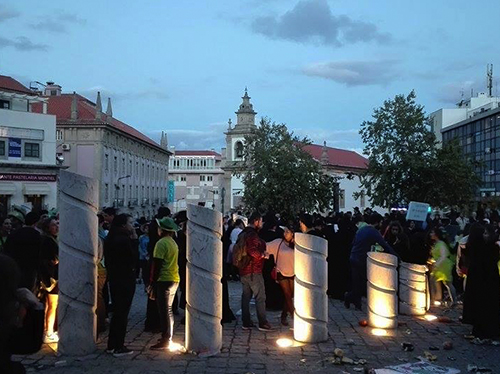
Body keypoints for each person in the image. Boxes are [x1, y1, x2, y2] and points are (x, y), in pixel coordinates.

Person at [345, 213, 398, 310]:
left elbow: (353, 242)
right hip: (361, 259)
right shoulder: (373, 232)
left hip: (353, 256)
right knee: (362, 281)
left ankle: (355, 300)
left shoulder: (362, 229)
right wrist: (396, 256)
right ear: (377, 222)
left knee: (357, 281)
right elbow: (384, 245)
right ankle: (350, 298)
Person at [104, 214, 137, 357]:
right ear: (123, 225)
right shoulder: (123, 240)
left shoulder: (111, 237)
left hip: (115, 279)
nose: (132, 225)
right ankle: (119, 346)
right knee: (122, 313)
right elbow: (133, 258)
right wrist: (134, 240)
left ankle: (112, 344)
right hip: (124, 279)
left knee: (117, 313)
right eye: (130, 222)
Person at [462, 224, 500, 340]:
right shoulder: (486, 249)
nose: (485, 236)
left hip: (483, 283)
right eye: (484, 234)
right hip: (486, 284)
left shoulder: (477, 249)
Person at [149, 217, 180, 350]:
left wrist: (152, 283)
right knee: (168, 311)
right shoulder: (172, 242)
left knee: (164, 311)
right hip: (174, 278)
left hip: (164, 280)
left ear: (162, 230)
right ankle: (168, 336)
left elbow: (157, 265)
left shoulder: (161, 243)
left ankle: (165, 338)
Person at [239, 212, 272, 331]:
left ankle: (246, 322)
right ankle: (263, 322)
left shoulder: (243, 233)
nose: (262, 224)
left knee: (246, 297)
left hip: (243, 270)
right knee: (260, 297)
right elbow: (252, 251)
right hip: (254, 270)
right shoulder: (252, 235)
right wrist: (263, 255)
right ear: (256, 221)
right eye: (261, 221)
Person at [145, 207, 171, 332]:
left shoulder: (153, 226)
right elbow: (158, 262)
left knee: (154, 298)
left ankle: (152, 322)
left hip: (158, 268)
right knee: (158, 299)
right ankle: (155, 323)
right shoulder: (162, 243)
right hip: (161, 272)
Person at [3, 212, 42, 293]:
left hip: (14, 268)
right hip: (30, 270)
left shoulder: (14, 234)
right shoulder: (37, 236)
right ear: (36, 223)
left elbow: (6, 251)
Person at [266, 227, 295, 326]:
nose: (285, 234)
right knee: (287, 294)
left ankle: (284, 314)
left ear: (293, 233)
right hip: (281, 272)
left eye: (288, 232)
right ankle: (294, 316)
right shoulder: (278, 242)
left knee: (291, 295)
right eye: (285, 231)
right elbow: (266, 247)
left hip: (293, 272)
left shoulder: (297, 244)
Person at [39, 217, 60, 344]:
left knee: (49, 304)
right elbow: (52, 259)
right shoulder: (48, 240)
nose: (57, 227)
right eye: (54, 225)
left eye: (57, 224)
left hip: (48, 276)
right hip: (51, 278)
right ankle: (49, 332)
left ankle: (47, 329)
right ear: (47, 227)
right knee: (52, 304)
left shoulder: (49, 239)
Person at [428, 228, 457, 306]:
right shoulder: (438, 243)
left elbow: (443, 256)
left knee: (435, 280)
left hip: (442, 265)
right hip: (440, 264)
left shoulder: (441, 244)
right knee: (446, 283)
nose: (431, 234)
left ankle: (434, 300)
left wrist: (436, 264)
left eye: (432, 232)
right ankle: (450, 300)